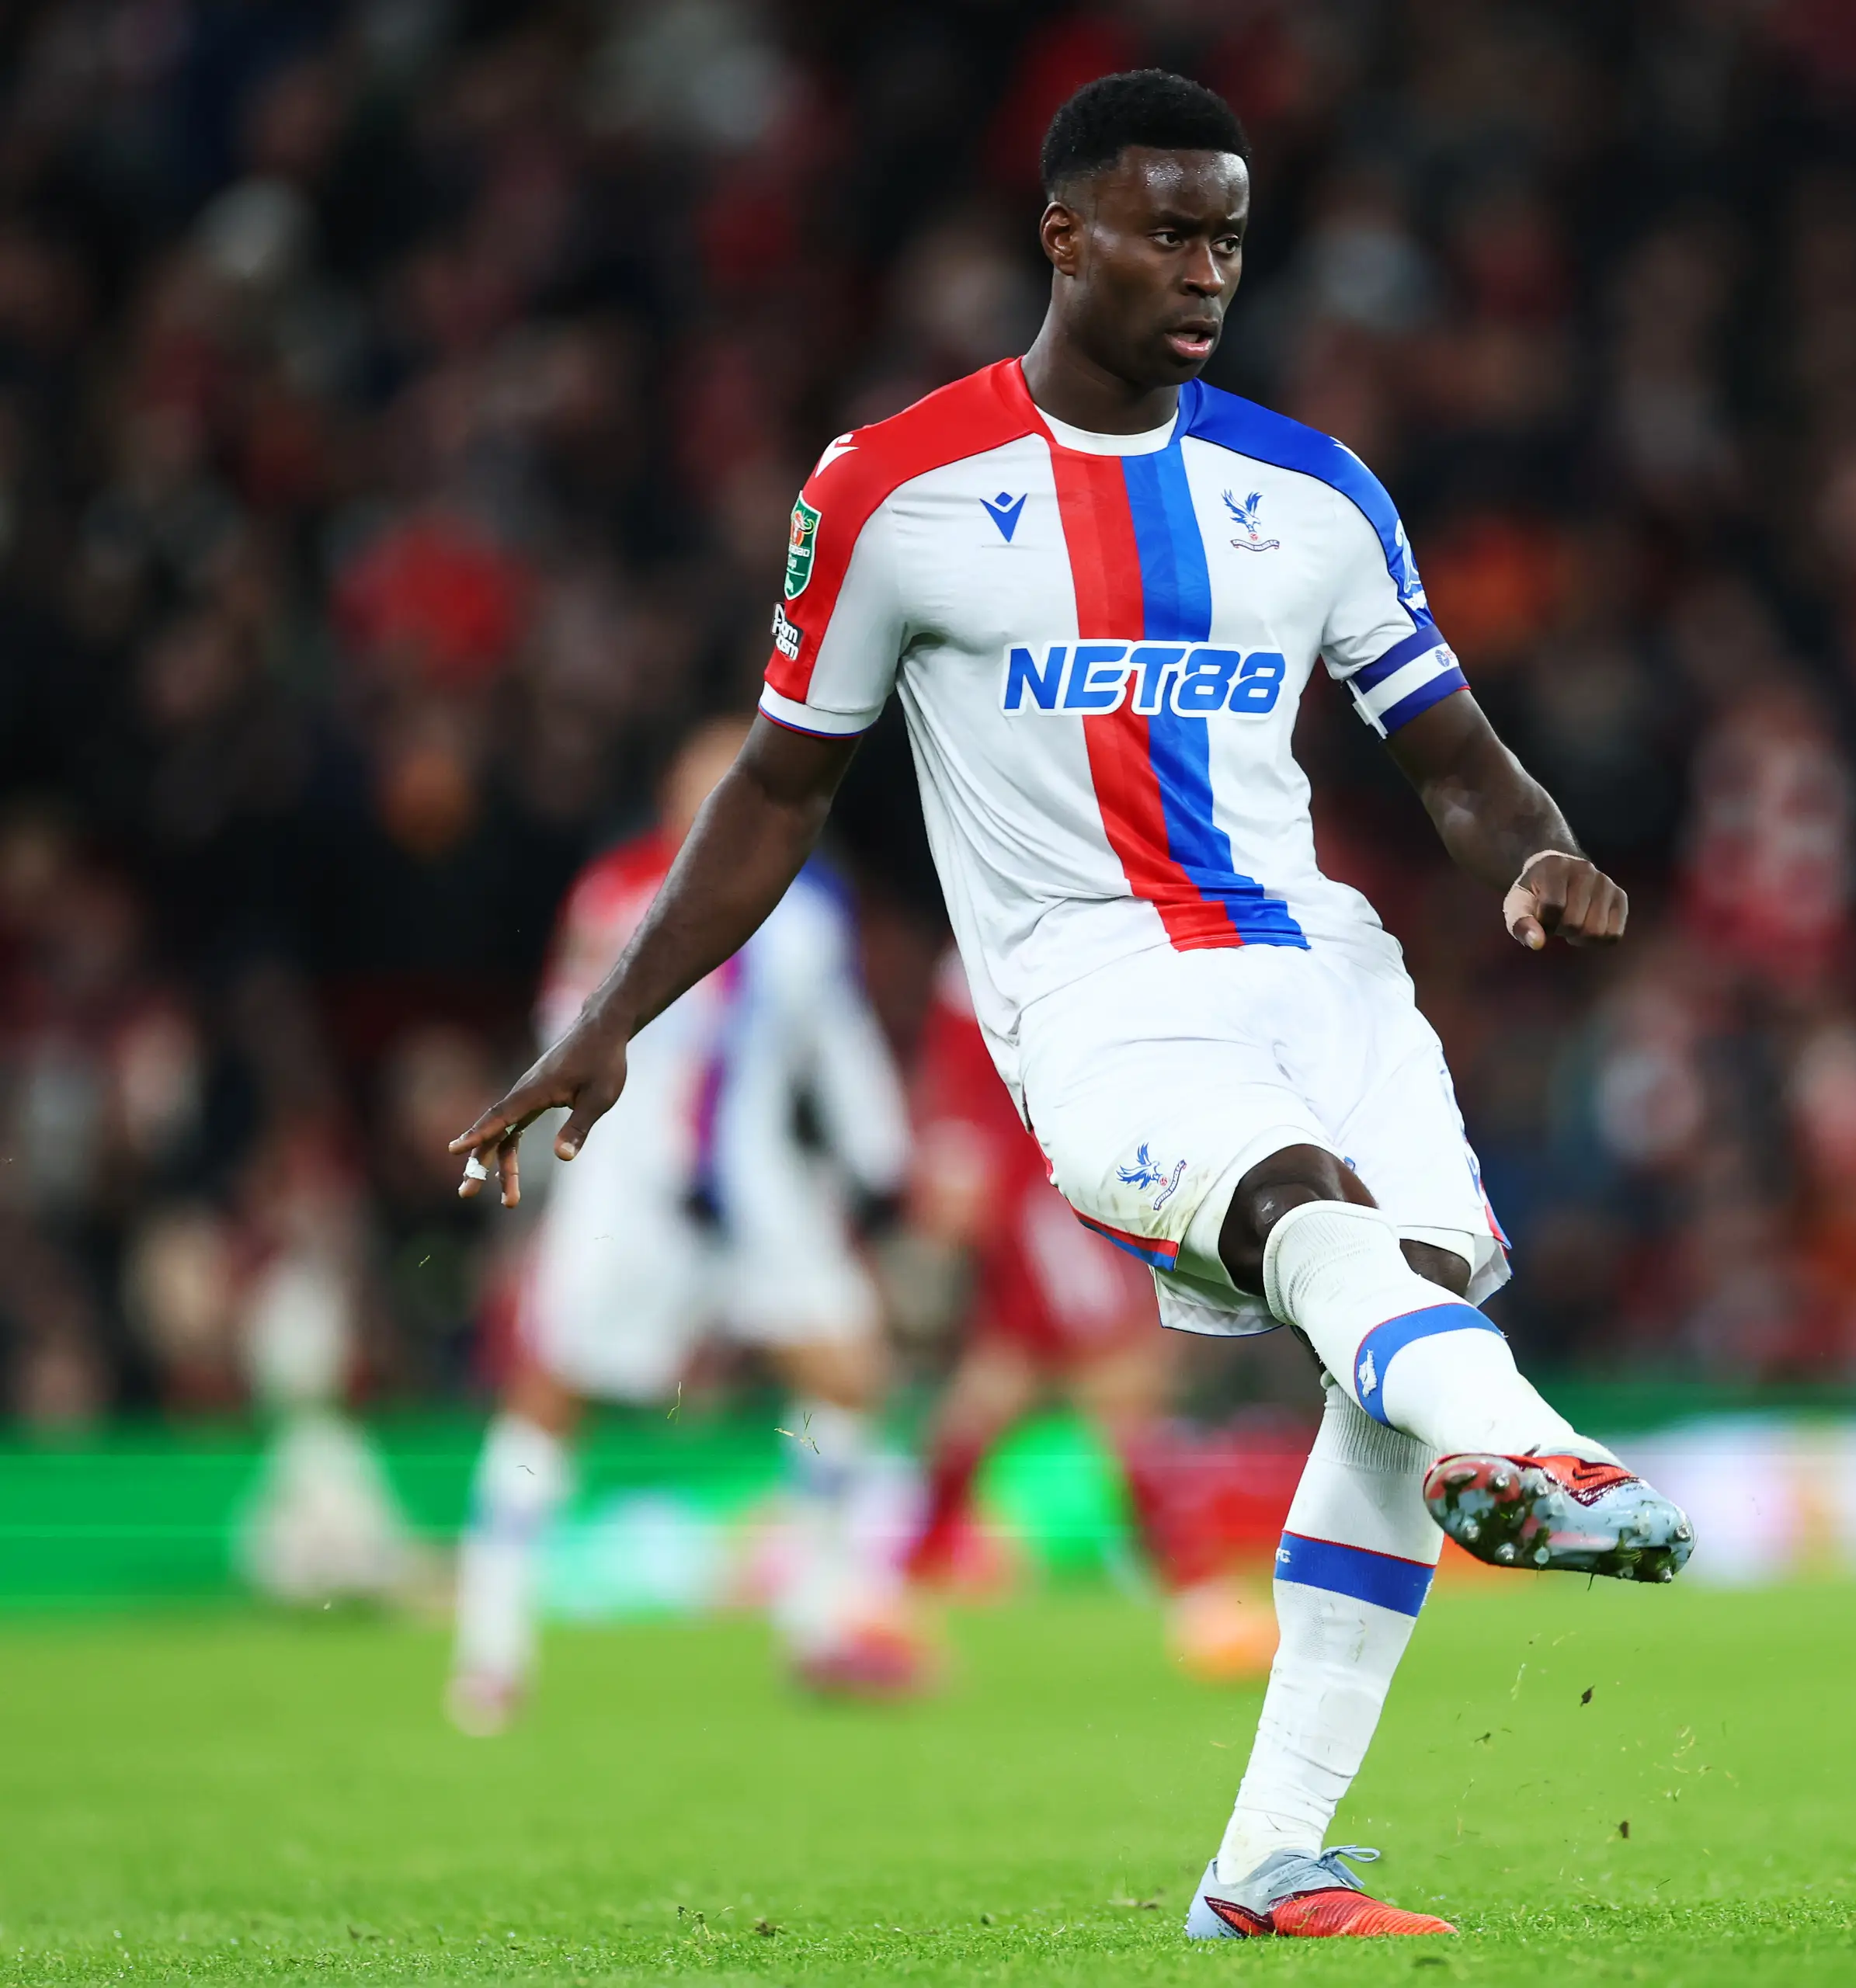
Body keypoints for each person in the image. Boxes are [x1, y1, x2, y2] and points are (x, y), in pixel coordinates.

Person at [450, 71, 1691, 1938]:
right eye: (1167, 229)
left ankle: (1269, 1859)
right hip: (1092, 1000)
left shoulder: (1312, 493)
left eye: (1228, 237)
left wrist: (1531, 848)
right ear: (1064, 234)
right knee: (1311, 1227)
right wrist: (616, 1011)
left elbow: (1453, 756)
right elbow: (779, 786)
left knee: (1393, 1319)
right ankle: (1527, 1444)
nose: (1205, 271)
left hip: (1322, 968)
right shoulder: (891, 491)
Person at [446, 716, 915, 1736]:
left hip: (756, 1185)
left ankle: (818, 1620)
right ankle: (491, 1645)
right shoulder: (618, 892)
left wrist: (882, 1159)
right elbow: (565, 1025)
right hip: (634, 1185)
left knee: (846, 1378)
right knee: (552, 1394)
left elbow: (839, 1038)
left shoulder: (809, 906)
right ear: (670, 797)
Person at [898, 945, 1291, 1684]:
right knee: (1114, 1390)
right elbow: (960, 1075)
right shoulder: (1001, 950)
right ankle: (1201, 1601)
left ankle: (898, 1594)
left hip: (1069, 1175)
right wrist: (955, 1160)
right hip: (1041, 1187)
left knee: (1002, 1394)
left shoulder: (1024, 937)